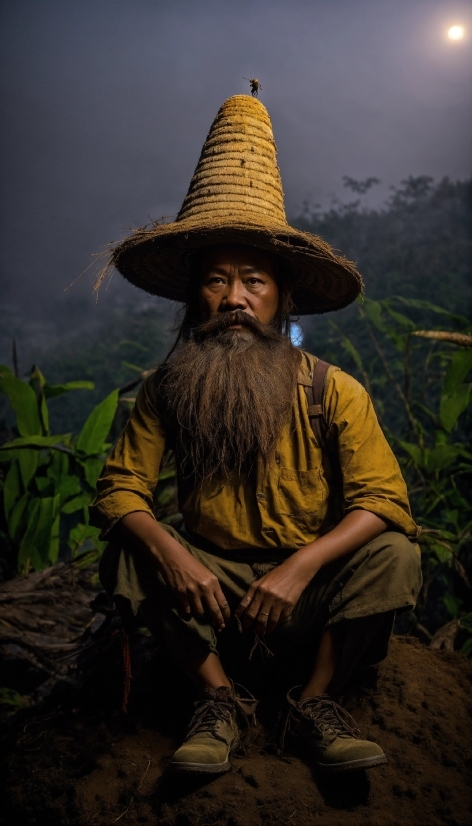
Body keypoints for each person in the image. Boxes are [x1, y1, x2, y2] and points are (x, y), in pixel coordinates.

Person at [90, 94, 422, 776]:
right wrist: (176, 558)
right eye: (216, 281)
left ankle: (314, 703)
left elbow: (384, 502)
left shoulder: (333, 390)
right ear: (196, 298)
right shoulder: (167, 389)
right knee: (131, 550)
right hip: (209, 589)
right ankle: (219, 701)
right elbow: (120, 491)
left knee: (394, 553)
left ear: (281, 297)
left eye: (253, 281)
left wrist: (300, 568)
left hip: (307, 594)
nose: (234, 297)